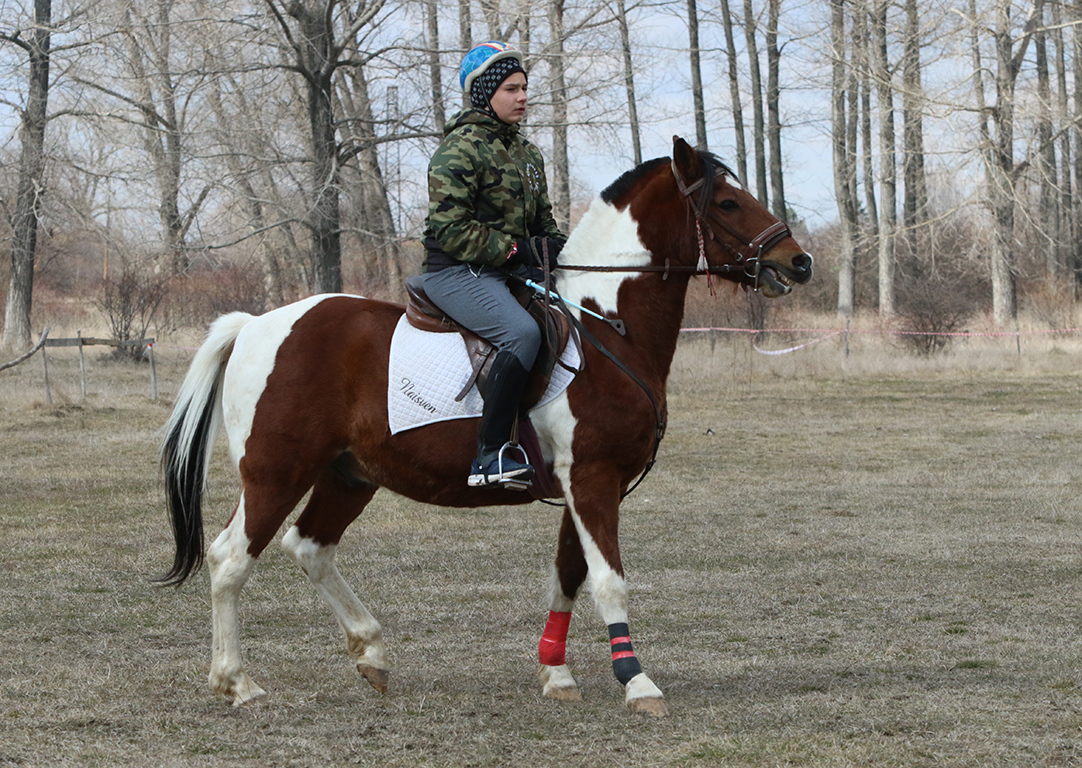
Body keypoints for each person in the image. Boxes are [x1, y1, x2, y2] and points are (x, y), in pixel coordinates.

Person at [422, 41, 566, 489]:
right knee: (521, 333)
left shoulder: (529, 154)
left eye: (524, 87)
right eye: (511, 88)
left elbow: (545, 221)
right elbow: (450, 230)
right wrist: (515, 251)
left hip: (510, 272)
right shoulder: (457, 150)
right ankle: (490, 454)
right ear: (486, 94)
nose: (523, 96)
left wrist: (559, 247)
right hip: (454, 272)